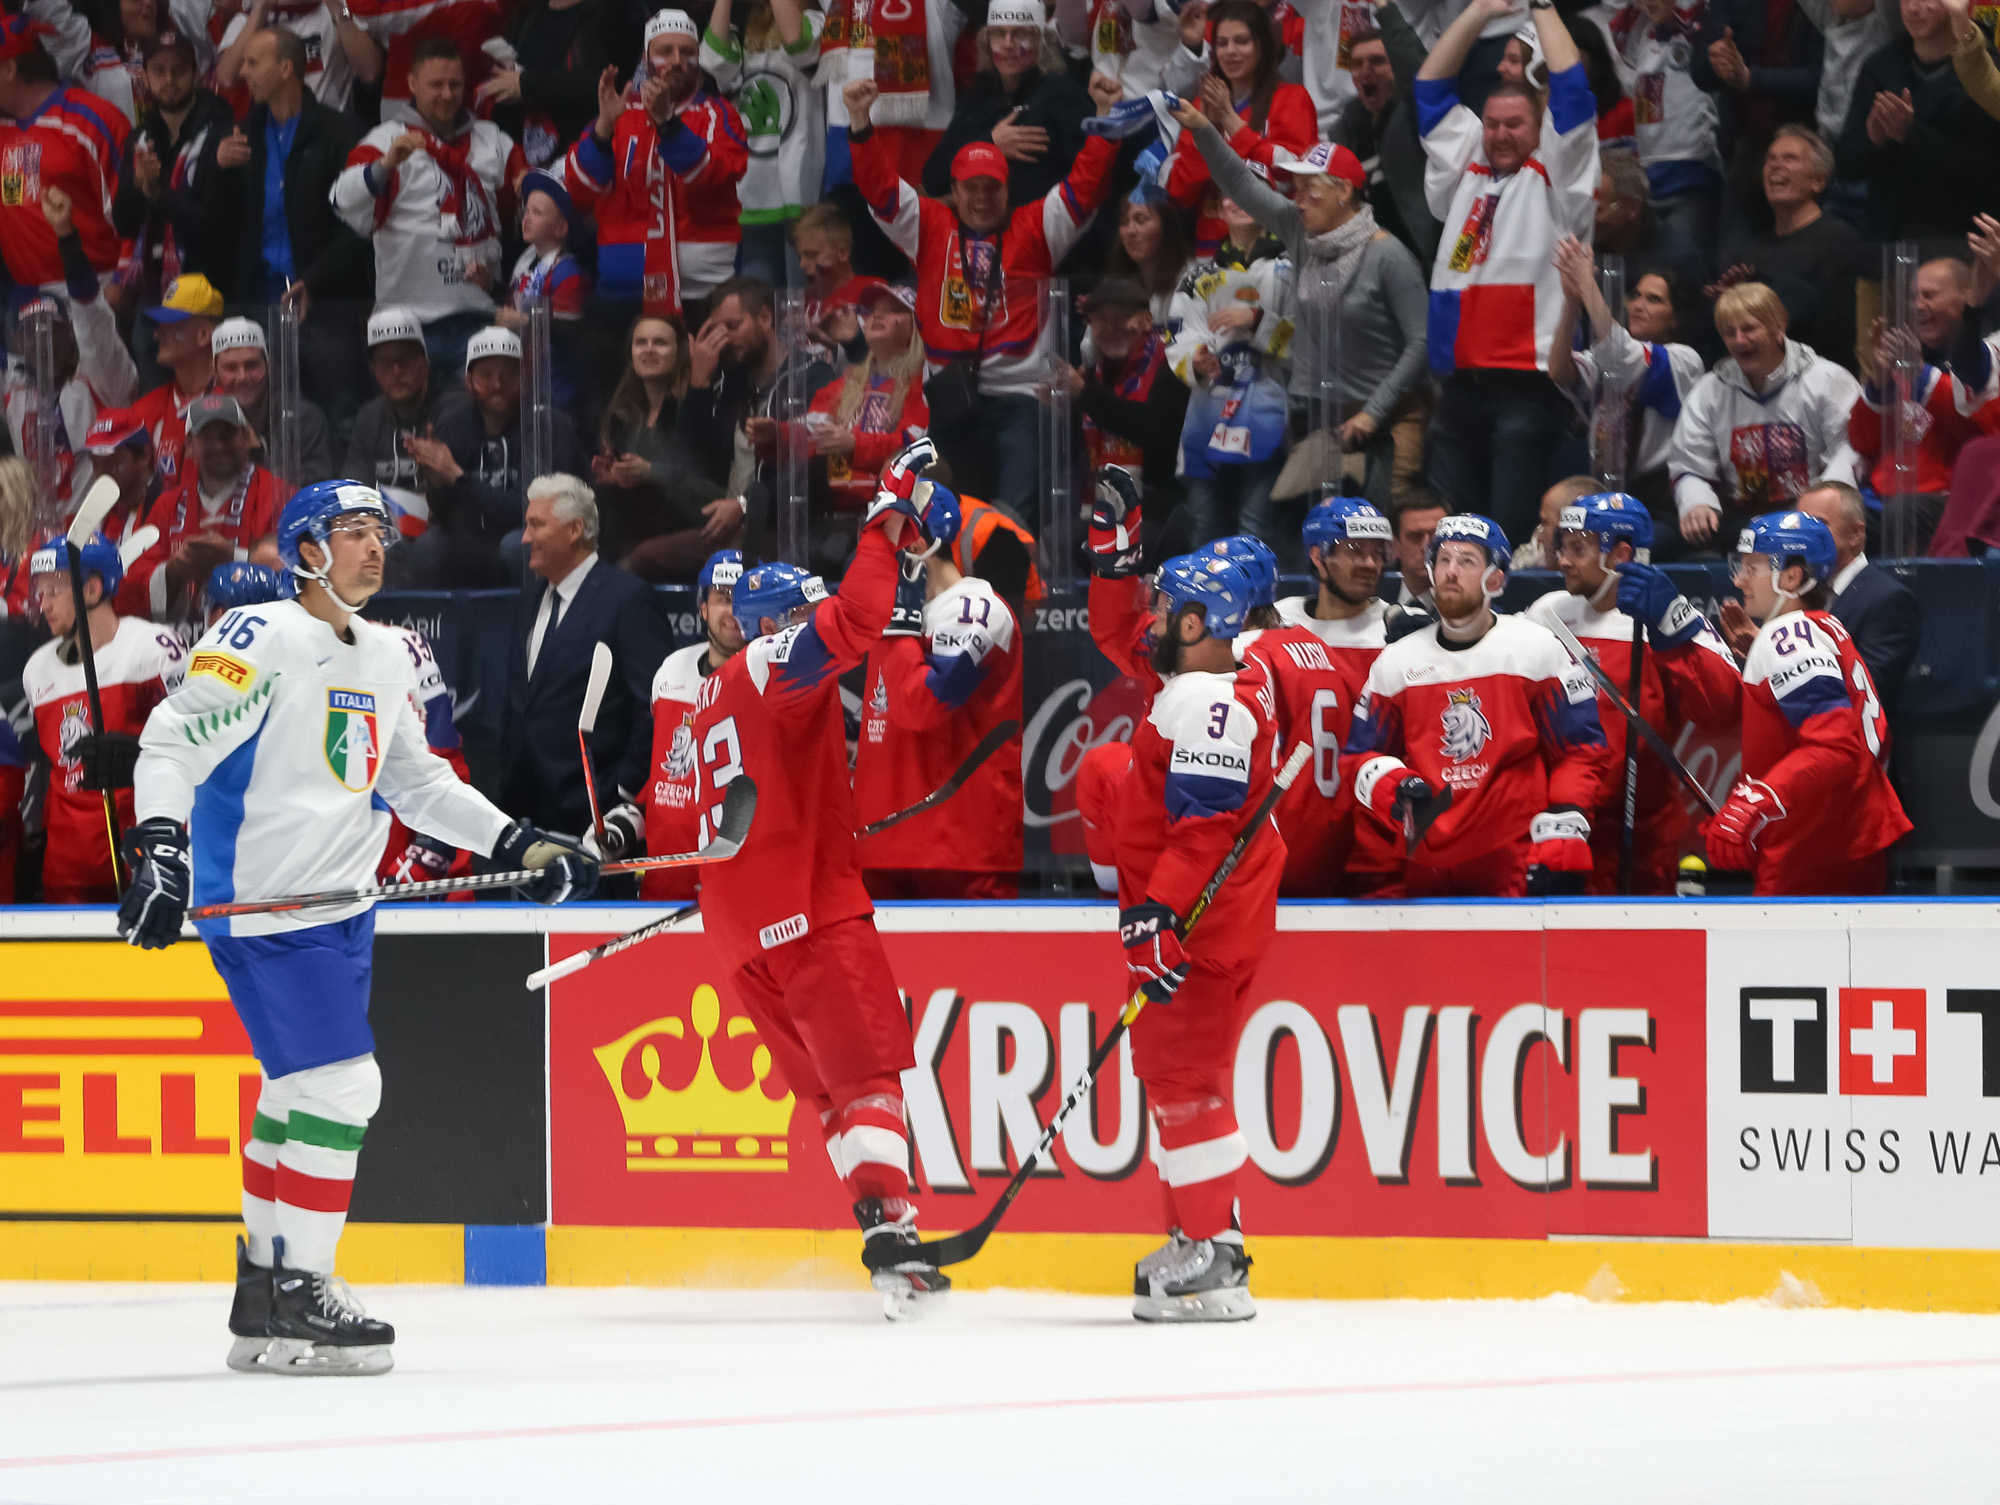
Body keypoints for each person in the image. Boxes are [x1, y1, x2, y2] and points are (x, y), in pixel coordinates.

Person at [120, 478, 597, 1376]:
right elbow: (170, 742)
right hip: (265, 910)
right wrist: (158, 846)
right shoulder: (258, 637)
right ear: (306, 550)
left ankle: (263, 1294)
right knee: (345, 1088)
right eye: (351, 532)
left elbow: (416, 783)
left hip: (343, 914)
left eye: (380, 530)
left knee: (297, 1092)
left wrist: (520, 843)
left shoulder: (383, 653)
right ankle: (306, 1285)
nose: (375, 546)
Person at [685, 438, 951, 1317]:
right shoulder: (771, 664)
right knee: (869, 1075)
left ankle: (879, 1214)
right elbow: (862, 617)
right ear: (771, 623)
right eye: (797, 616)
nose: (811, 628)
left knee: (832, 1095)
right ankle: (894, 1232)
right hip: (805, 913)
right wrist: (885, 515)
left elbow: (721, 812)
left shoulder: (710, 693)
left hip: (735, 930)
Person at [1085, 537, 1280, 1321]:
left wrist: (1157, 914)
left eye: (1167, 607)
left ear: (1198, 621)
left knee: (1183, 1079)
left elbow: (1202, 831)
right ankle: (1200, 1235)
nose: (1155, 617)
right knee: (1176, 1077)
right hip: (1199, 916)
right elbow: (1118, 632)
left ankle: (1214, 1255)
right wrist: (1114, 558)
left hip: (1200, 923)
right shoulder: (1201, 675)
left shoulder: (1210, 704)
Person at [844, 68, 1125, 526]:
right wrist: (859, 121)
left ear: (1006, 188)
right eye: (970, 187)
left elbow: (1086, 188)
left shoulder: (1035, 228)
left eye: (991, 187)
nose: (980, 197)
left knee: (1008, 520)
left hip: (1022, 402)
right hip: (954, 402)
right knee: (947, 522)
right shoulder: (929, 227)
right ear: (953, 190)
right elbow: (880, 189)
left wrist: (1104, 116)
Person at [1344, 513, 1614, 897]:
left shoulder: (1536, 649)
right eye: (1443, 560)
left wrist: (1566, 819)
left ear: (1496, 579)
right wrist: (1393, 786)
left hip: (1511, 854)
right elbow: (1358, 756)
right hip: (1425, 857)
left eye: (1467, 561)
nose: (1451, 571)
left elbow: (1582, 749)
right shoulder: (1395, 663)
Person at [1415, 0, 1599, 543]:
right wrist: (1478, 12)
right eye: (1491, 123)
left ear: (1539, 125)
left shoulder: (1558, 171)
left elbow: (1572, 89)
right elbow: (1429, 87)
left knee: (1505, 537)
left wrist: (1541, 7)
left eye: (1514, 124)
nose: (1498, 134)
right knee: (1452, 539)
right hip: (1457, 389)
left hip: (1528, 389)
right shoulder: (1467, 164)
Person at [1180, 118, 1430, 514]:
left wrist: (1372, 414)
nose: (1296, 200)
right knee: (1309, 533)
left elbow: (1422, 343)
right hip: (1318, 419)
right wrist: (1202, 131)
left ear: (1344, 192)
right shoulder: (1301, 236)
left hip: (1387, 422)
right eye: (1295, 191)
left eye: (1309, 191)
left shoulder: (1389, 257)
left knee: (1382, 528)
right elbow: (1240, 185)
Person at [1521, 492, 1741, 894]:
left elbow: (1722, 710)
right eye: (1562, 546)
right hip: (1555, 824)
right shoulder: (1547, 612)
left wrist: (1674, 630)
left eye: (1578, 548)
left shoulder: (1671, 619)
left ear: (1620, 554)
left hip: (1638, 836)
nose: (1563, 560)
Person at [1703, 509, 1910, 893]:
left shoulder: (1788, 634)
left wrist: (1761, 797)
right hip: (1852, 827)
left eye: (1752, 567)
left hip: (1811, 841)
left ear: (1792, 577)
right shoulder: (1825, 624)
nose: (1739, 579)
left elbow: (1836, 745)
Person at [854, 478, 1024, 898]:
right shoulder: (888, 610)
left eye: (886, 535)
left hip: (958, 852)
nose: (873, 552)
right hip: (879, 848)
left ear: (918, 544)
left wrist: (897, 621)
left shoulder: (979, 611)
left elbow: (920, 704)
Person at [332, 36, 526, 377]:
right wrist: (386, 165)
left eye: (455, 84)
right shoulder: (383, 141)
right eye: (436, 85)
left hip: (480, 319)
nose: (448, 94)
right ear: (412, 84)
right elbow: (343, 202)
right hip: (407, 326)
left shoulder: (495, 141)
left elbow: (524, 221)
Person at [204, 22, 371, 415]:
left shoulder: (341, 133)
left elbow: (363, 225)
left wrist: (315, 279)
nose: (242, 72)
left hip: (327, 307)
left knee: (341, 415)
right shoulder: (238, 137)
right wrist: (217, 171)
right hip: (258, 307)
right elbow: (217, 225)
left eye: (253, 62)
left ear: (285, 70)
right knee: (265, 421)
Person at [502, 474, 674, 840]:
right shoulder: (530, 599)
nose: (525, 538)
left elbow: (655, 707)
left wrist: (622, 794)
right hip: (525, 812)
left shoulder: (628, 599)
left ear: (574, 529)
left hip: (595, 820)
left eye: (537, 525)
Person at [23, 532, 185, 902]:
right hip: (66, 866)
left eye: (54, 590)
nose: (42, 603)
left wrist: (142, 754)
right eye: (39, 591)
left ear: (92, 590)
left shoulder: (155, 648)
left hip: (144, 858)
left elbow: (195, 745)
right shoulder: (36, 671)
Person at [563, 9, 749, 319]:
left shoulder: (719, 113)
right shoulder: (619, 115)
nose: (677, 60)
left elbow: (714, 176)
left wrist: (668, 124)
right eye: (665, 51)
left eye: (687, 51)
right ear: (646, 59)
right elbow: (579, 190)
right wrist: (603, 130)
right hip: (622, 293)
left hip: (703, 293)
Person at [1670, 281, 1863, 554]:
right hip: (1741, 523)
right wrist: (1696, 502)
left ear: (1778, 327)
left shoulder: (1828, 379)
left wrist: (1818, 508)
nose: (1739, 340)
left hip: (1812, 521)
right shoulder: (1708, 391)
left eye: (1749, 328)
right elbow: (1689, 464)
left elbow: (1850, 448)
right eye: (1729, 332)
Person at [1274, 495, 1401, 894]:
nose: (1369, 563)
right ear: (1318, 556)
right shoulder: (1277, 624)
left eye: (1377, 552)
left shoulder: (1400, 632)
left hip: (1376, 826)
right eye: (1354, 551)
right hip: (1299, 827)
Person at [1548, 236, 1705, 555]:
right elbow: (1560, 370)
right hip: (1607, 492)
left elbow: (1625, 356)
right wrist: (1571, 301)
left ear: (1676, 317)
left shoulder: (1684, 361)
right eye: (1636, 296)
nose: (1638, 305)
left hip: (1659, 502)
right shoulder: (1610, 355)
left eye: (1654, 300)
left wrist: (1587, 285)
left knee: (1616, 555)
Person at [404, 325, 586, 586]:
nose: (498, 385)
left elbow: (532, 511)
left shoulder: (545, 426)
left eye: (508, 375)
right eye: (486, 376)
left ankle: (538, 623)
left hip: (532, 535)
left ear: (524, 377)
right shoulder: (456, 425)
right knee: (428, 546)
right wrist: (436, 480)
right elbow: (445, 514)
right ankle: (432, 626)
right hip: (476, 539)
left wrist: (458, 477)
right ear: (468, 381)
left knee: (519, 545)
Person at [1165, 194, 1295, 547]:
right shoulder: (1197, 277)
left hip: (1269, 416)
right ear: (1217, 208)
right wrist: (1195, 359)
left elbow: (1312, 342)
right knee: (1202, 528)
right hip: (1207, 417)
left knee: (1254, 529)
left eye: (1248, 191)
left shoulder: (1292, 269)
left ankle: (1257, 604)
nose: (1239, 200)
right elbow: (1178, 335)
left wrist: (1258, 321)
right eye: (1229, 195)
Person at [675, 277, 833, 561]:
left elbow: (813, 471)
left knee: (642, 561)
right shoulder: (725, 382)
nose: (725, 340)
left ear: (764, 317)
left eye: (733, 327)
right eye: (716, 330)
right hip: (720, 525)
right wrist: (697, 385)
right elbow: (690, 460)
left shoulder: (813, 378)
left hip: (785, 529)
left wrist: (745, 506)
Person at [1729, 478, 1919, 712]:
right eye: (1800, 523)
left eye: (1819, 522)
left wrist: (1782, 655)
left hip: (1850, 743)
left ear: (1856, 534)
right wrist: (1765, 652)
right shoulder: (1788, 587)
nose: (1806, 533)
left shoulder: (1889, 600)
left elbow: (1867, 693)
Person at [2, 193, 140, 513]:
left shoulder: (101, 375)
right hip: (39, 545)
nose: (42, 337)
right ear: (17, 343)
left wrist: (68, 239)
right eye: (31, 330)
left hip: (100, 535)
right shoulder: (16, 387)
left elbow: (92, 311)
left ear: (70, 331)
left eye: (52, 326)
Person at [627, 548, 744, 900]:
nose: (733, 611)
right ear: (702, 607)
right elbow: (664, 776)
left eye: (742, 598)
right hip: (666, 884)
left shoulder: (769, 677)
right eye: (723, 598)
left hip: (736, 885)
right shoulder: (671, 671)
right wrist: (629, 818)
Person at [1834, 0, 2000, 248]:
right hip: (1886, 241)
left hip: (1959, 242)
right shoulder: (1881, 65)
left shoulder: (1987, 74)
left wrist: (1911, 135)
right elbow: (1846, 164)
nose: (1912, 9)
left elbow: (1986, 173)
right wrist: (1873, 139)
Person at [118, 394, 290, 623]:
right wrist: (173, 572)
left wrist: (233, 556)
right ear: (189, 445)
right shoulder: (166, 506)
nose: (218, 445)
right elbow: (134, 585)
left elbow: (296, 574)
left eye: (227, 435)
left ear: (246, 438)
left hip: (257, 637)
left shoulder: (280, 496)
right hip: (183, 644)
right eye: (207, 437)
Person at [1164, 0, 1317, 255]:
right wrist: (1208, 129)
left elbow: (1292, 178)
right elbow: (1178, 192)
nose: (1230, 51)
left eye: (1241, 41)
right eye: (1222, 43)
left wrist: (1231, 122)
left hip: (1276, 247)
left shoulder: (1292, 99)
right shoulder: (1203, 105)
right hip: (1212, 252)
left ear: (1263, 46)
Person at [1848, 264, 1982, 555]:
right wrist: (1880, 382)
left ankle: (1900, 597)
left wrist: (1922, 376)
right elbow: (1863, 443)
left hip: (1951, 501)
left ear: (1965, 298)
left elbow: (1979, 430)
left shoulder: (1984, 362)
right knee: (1834, 511)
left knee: (1905, 510)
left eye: (1929, 295)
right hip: (1887, 496)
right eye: (1912, 297)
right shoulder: (1904, 363)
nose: (1918, 306)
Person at [112, 27, 235, 337]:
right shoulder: (140, 137)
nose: (169, 79)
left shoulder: (222, 134)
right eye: (159, 70)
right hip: (152, 296)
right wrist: (140, 187)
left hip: (206, 296)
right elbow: (124, 224)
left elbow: (218, 225)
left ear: (195, 74)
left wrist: (157, 194)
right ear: (146, 75)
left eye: (178, 70)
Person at [1711, 128, 1859, 371]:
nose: (1776, 165)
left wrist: (1759, 293)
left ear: (1819, 181)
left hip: (1817, 376)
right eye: (1770, 158)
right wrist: (1729, 302)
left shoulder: (1840, 239)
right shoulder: (1751, 250)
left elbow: (1835, 327)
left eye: (1789, 158)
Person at [594, 315, 730, 580]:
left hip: (689, 528)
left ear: (679, 353)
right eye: (640, 343)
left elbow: (707, 479)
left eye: (660, 343)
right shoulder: (623, 415)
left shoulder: (696, 405)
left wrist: (650, 471)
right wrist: (616, 480)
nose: (648, 349)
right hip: (634, 532)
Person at [701, 0, 823, 289]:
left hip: (799, 187)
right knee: (759, 306)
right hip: (753, 189)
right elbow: (714, 59)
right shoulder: (743, 34)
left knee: (798, 305)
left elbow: (797, 41)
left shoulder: (818, 22)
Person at [925, 0, 1092, 211]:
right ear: (986, 43)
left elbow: (1090, 180)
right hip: (983, 230)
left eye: (1020, 34)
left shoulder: (1064, 96)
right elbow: (933, 179)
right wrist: (989, 145)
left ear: (1041, 41)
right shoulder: (975, 101)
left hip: (1044, 230)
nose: (1007, 44)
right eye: (997, 34)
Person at [0, 16, 128, 289]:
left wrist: (123, 282)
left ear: (9, 69)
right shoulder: (4, 127)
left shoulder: (93, 120)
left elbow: (137, 211)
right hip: (24, 299)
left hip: (98, 288)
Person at [1595, 0, 1725, 250]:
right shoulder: (1642, 32)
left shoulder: (1698, 29)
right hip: (1650, 175)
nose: (1646, 3)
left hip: (1692, 173)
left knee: (1680, 270)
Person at [1064, 279, 1190, 533]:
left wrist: (1085, 394)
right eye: (1101, 318)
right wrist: (1060, 406)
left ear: (1146, 320)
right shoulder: (1094, 373)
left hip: (1161, 506)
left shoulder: (1170, 363)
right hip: (1104, 508)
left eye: (1123, 317)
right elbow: (1081, 449)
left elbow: (1154, 429)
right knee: (1055, 537)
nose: (1111, 327)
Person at [807, 282, 931, 516]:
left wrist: (855, 445)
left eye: (894, 310)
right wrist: (777, 434)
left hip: (889, 514)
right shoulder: (846, 384)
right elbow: (808, 431)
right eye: (872, 310)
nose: (878, 315)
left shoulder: (921, 387)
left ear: (915, 324)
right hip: (832, 513)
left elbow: (913, 447)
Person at [1331, 13, 1444, 266]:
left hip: (1420, 256)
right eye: (1357, 64)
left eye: (1377, 61)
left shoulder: (1415, 116)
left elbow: (1415, 70)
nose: (1366, 71)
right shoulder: (1343, 132)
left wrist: (1384, 9)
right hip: (1367, 263)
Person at [496, 169, 587, 406]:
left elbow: (569, 334)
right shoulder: (525, 266)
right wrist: (489, 285)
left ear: (560, 228)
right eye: (526, 210)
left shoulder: (567, 273)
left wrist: (526, 322)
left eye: (537, 213)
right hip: (526, 386)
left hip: (557, 392)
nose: (526, 218)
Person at [209, 318, 336, 487]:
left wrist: (256, 454)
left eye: (252, 365)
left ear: (268, 366)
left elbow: (318, 489)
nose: (243, 377)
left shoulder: (303, 418)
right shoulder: (205, 423)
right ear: (215, 372)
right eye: (231, 368)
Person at [128, 270, 223, 488]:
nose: (157, 334)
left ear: (204, 335)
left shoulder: (233, 406)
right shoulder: (145, 411)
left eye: (171, 325)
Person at [343, 307, 444, 505]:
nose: (396, 371)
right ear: (373, 370)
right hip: (382, 527)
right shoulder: (368, 418)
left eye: (405, 360)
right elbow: (354, 492)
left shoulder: (450, 410)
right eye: (385, 362)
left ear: (425, 362)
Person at [214, 0, 382, 115]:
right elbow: (227, 77)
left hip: (328, 132)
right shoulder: (247, 19)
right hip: (270, 131)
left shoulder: (340, 9)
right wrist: (261, 9)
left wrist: (337, 7)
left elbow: (370, 72)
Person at [1105, 192, 1196, 327]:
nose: (1130, 231)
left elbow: (1194, 342)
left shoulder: (1192, 279)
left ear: (1166, 226)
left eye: (1140, 220)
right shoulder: (1114, 281)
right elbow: (1089, 346)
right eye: (1124, 222)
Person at [1389, 486, 1448, 608]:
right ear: (1394, 546)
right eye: (1415, 537)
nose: (1426, 547)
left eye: (1436, 536)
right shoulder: (1372, 601)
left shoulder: (1476, 609)